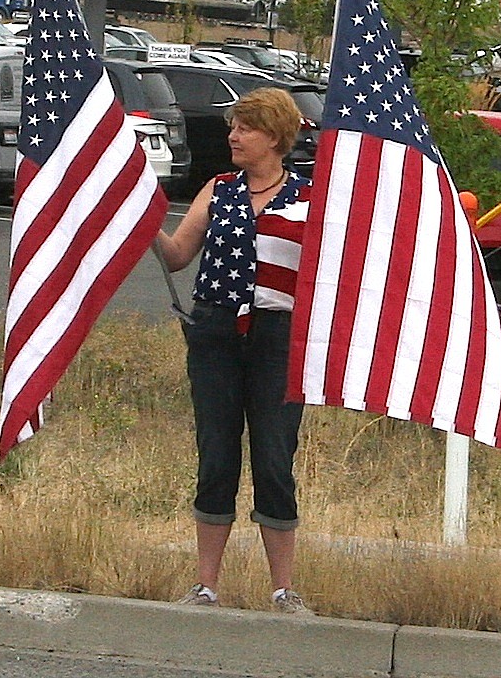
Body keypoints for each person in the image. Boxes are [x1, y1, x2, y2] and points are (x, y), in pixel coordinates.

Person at [156, 87, 313, 614]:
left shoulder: (311, 197)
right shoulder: (218, 189)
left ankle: (283, 590)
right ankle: (206, 586)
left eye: (244, 128)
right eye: (233, 127)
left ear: (273, 136)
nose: (232, 136)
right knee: (216, 454)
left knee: (274, 457)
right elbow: (178, 255)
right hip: (216, 331)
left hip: (278, 337)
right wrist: (141, 219)